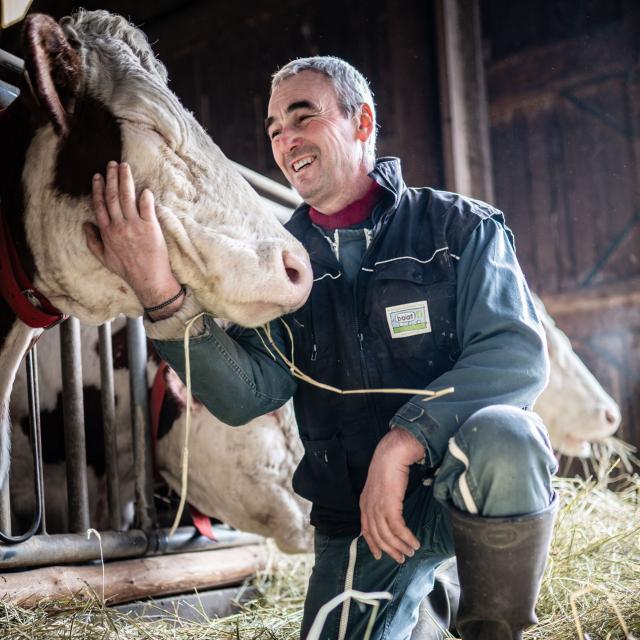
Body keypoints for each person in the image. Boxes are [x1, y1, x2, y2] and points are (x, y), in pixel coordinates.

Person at [87, 56, 558, 640]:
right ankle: (421, 613)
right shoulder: (281, 260)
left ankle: (490, 626)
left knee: (510, 438)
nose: (286, 140)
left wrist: (403, 443)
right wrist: (158, 291)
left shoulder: (459, 230)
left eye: (303, 117)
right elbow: (245, 396)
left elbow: (513, 355)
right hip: (357, 521)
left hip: (457, 491)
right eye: (275, 129)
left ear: (362, 123)